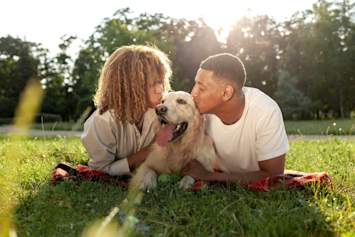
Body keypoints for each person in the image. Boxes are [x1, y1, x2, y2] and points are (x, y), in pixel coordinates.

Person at [181, 53, 289, 185]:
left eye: (201, 88)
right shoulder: (199, 112)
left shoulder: (265, 112)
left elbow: (274, 175)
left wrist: (209, 176)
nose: (193, 93)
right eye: (195, 84)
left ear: (226, 93)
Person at [81, 45, 171, 176]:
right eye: (152, 84)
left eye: (161, 82)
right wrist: (148, 151)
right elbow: (100, 171)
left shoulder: (162, 112)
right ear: (128, 85)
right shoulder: (102, 122)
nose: (160, 90)